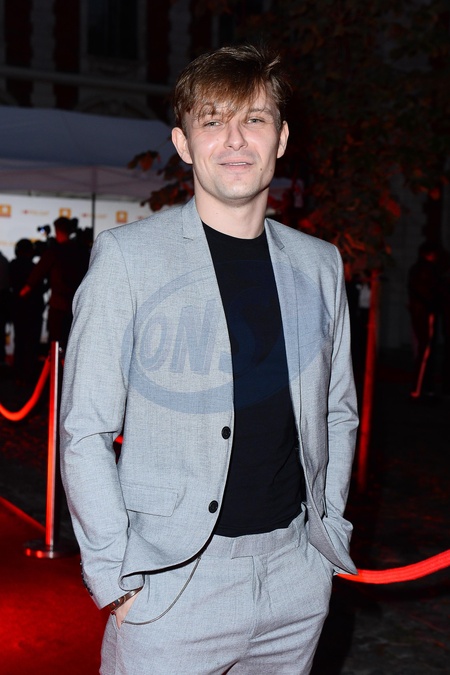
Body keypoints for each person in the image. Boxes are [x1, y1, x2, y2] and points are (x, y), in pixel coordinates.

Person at [60, 44, 358, 675]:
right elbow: (83, 430)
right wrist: (117, 576)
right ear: (184, 143)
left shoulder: (320, 264)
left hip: (294, 582)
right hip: (170, 586)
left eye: (255, 119)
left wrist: (327, 536)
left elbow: (338, 412)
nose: (235, 139)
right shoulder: (128, 259)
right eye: (213, 120)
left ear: (281, 138)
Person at [20, 217, 90, 349]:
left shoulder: (54, 252)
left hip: (58, 307)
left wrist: (21, 294)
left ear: (57, 231)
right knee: (72, 344)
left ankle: (56, 362)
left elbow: (37, 274)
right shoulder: (81, 252)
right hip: (76, 306)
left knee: (55, 344)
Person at [9, 239, 45, 381]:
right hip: (33, 311)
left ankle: (18, 375)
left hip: (19, 310)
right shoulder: (34, 268)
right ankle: (28, 375)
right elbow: (41, 287)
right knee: (31, 344)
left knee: (19, 342)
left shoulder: (13, 266)